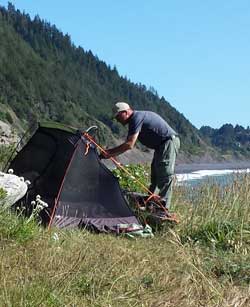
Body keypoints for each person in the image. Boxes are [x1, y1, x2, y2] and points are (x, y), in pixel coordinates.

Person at [101, 102, 180, 208]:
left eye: (118, 116)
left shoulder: (136, 118)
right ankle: (151, 205)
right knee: (155, 177)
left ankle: (164, 209)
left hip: (168, 142)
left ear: (126, 112)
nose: (117, 120)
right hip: (161, 146)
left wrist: (110, 153)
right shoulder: (135, 119)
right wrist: (112, 153)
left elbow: (129, 144)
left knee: (165, 175)